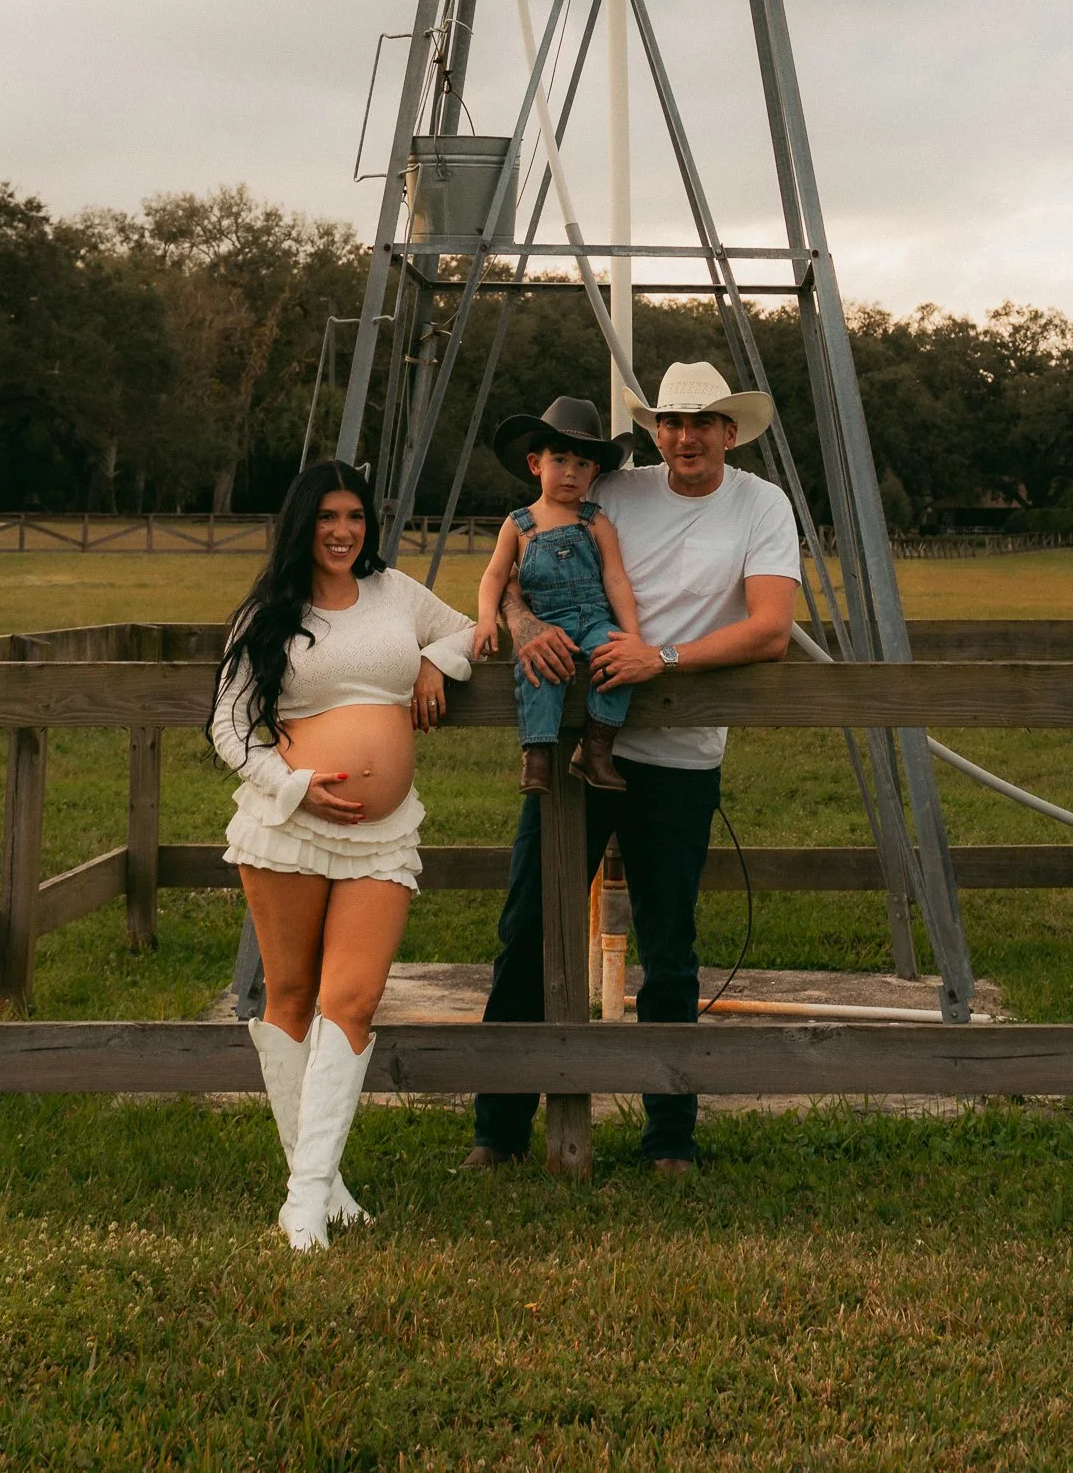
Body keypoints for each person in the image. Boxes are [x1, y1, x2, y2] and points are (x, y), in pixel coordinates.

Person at [463, 359, 801, 1176]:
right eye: (671, 422)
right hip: (576, 747)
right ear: (654, 430)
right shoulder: (615, 489)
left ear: (731, 430)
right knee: (528, 930)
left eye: (703, 422)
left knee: (668, 944)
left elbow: (769, 630)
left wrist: (666, 657)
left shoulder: (760, 505)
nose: (685, 436)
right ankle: (498, 1131)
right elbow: (518, 555)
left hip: (679, 754)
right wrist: (516, 620)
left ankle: (668, 1137)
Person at [210, 461, 474, 1251]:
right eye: (326, 515)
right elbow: (227, 727)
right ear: (302, 523)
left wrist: (436, 662)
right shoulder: (268, 611)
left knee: (352, 1001)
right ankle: (317, 1197)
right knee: (288, 995)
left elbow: (465, 627)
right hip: (288, 825)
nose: (342, 530)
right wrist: (292, 785)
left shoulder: (395, 591)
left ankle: (307, 1193)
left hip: (381, 837)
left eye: (355, 515)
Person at [475, 396, 643, 795]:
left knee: (615, 663)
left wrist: (631, 635)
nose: (570, 473)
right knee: (537, 671)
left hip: (594, 619)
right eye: (560, 461)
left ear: (594, 472)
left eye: (582, 464)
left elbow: (616, 578)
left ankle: (596, 748)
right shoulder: (518, 526)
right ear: (536, 464)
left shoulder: (596, 520)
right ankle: (538, 754)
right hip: (545, 622)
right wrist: (485, 619)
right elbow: (494, 576)